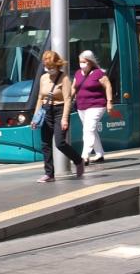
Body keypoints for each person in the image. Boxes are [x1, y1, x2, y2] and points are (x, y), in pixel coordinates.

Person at [31, 50, 84, 183]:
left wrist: (65, 118)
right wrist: (35, 117)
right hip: (45, 111)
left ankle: (78, 160)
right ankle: (49, 174)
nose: (49, 70)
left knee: (60, 143)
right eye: (46, 67)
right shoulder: (43, 78)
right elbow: (39, 98)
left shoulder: (64, 78)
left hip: (60, 111)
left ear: (57, 64)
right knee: (45, 144)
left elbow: (67, 99)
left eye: (51, 67)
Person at [72, 50, 113, 166]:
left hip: (97, 105)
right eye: (80, 62)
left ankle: (84, 156)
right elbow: (73, 87)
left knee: (88, 130)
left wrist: (109, 102)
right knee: (91, 130)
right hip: (81, 106)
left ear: (90, 62)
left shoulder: (98, 73)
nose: (82, 64)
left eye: (84, 62)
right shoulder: (78, 74)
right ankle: (99, 154)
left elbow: (108, 86)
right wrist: (67, 99)